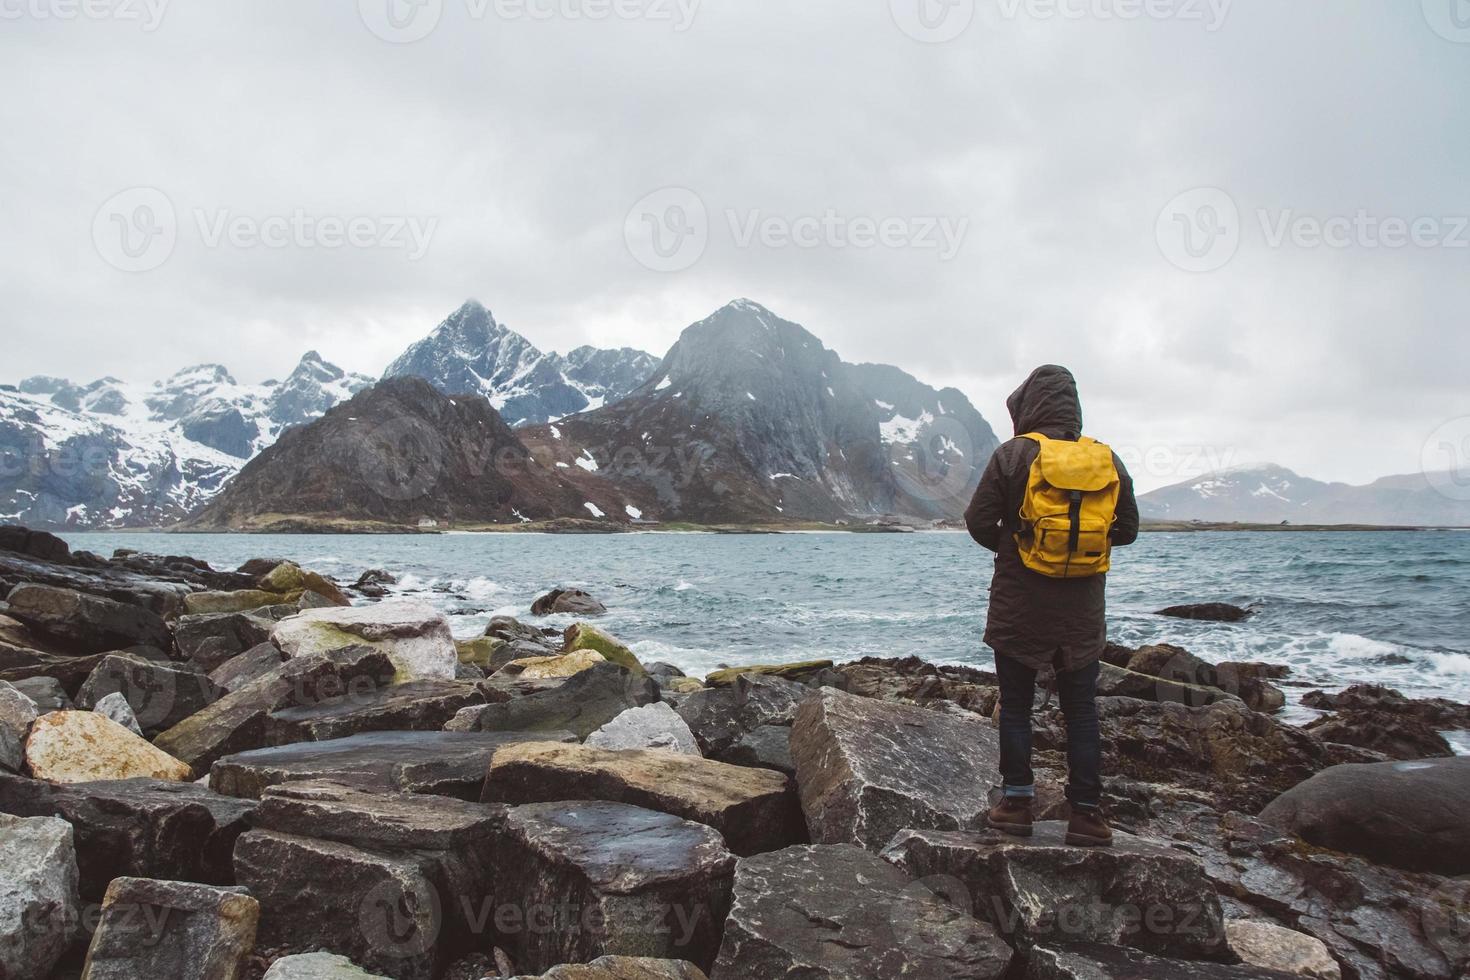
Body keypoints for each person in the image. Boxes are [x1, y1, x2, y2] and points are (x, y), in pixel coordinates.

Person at [964, 364, 1138, 847]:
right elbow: (1127, 529)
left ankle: (1017, 804)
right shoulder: (1106, 459)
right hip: (1082, 612)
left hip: (1019, 604)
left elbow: (978, 521)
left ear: (1027, 406)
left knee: (1016, 706)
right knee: (1080, 709)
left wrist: (1017, 545)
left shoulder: (1013, 455)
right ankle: (1087, 814)